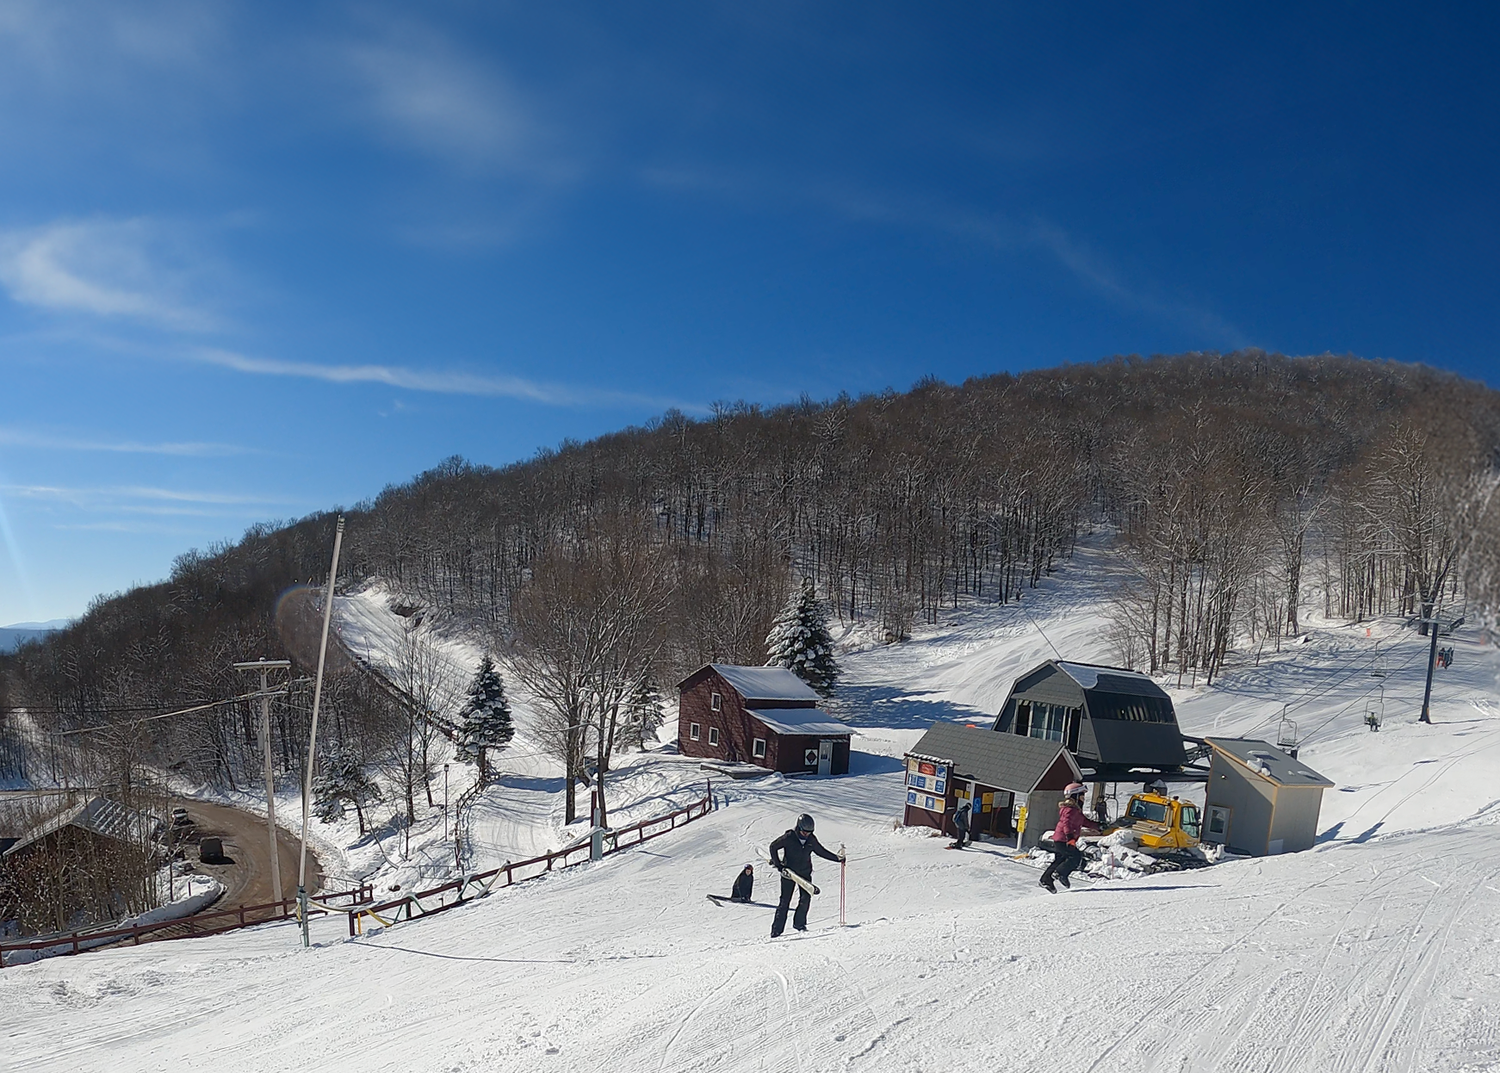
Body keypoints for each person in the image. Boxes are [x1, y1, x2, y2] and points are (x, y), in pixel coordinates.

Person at [769, 813, 843, 937]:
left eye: (809, 832)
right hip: (789, 873)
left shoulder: (811, 839)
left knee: (805, 898)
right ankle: (776, 931)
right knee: (785, 902)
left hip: (804, 873)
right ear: (798, 827)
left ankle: (799, 924)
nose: (806, 834)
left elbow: (821, 851)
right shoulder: (789, 837)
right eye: (804, 832)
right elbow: (773, 847)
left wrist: (837, 858)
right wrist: (779, 866)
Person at [1039, 783, 1100, 893]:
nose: (1084, 798)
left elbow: (1084, 821)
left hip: (1062, 839)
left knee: (1061, 859)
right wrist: (1070, 837)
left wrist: (1098, 826)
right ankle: (1060, 873)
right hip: (1064, 839)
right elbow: (1066, 824)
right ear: (1075, 796)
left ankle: (1046, 880)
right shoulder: (1070, 810)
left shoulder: (1075, 810)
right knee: (1075, 856)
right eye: (1082, 795)